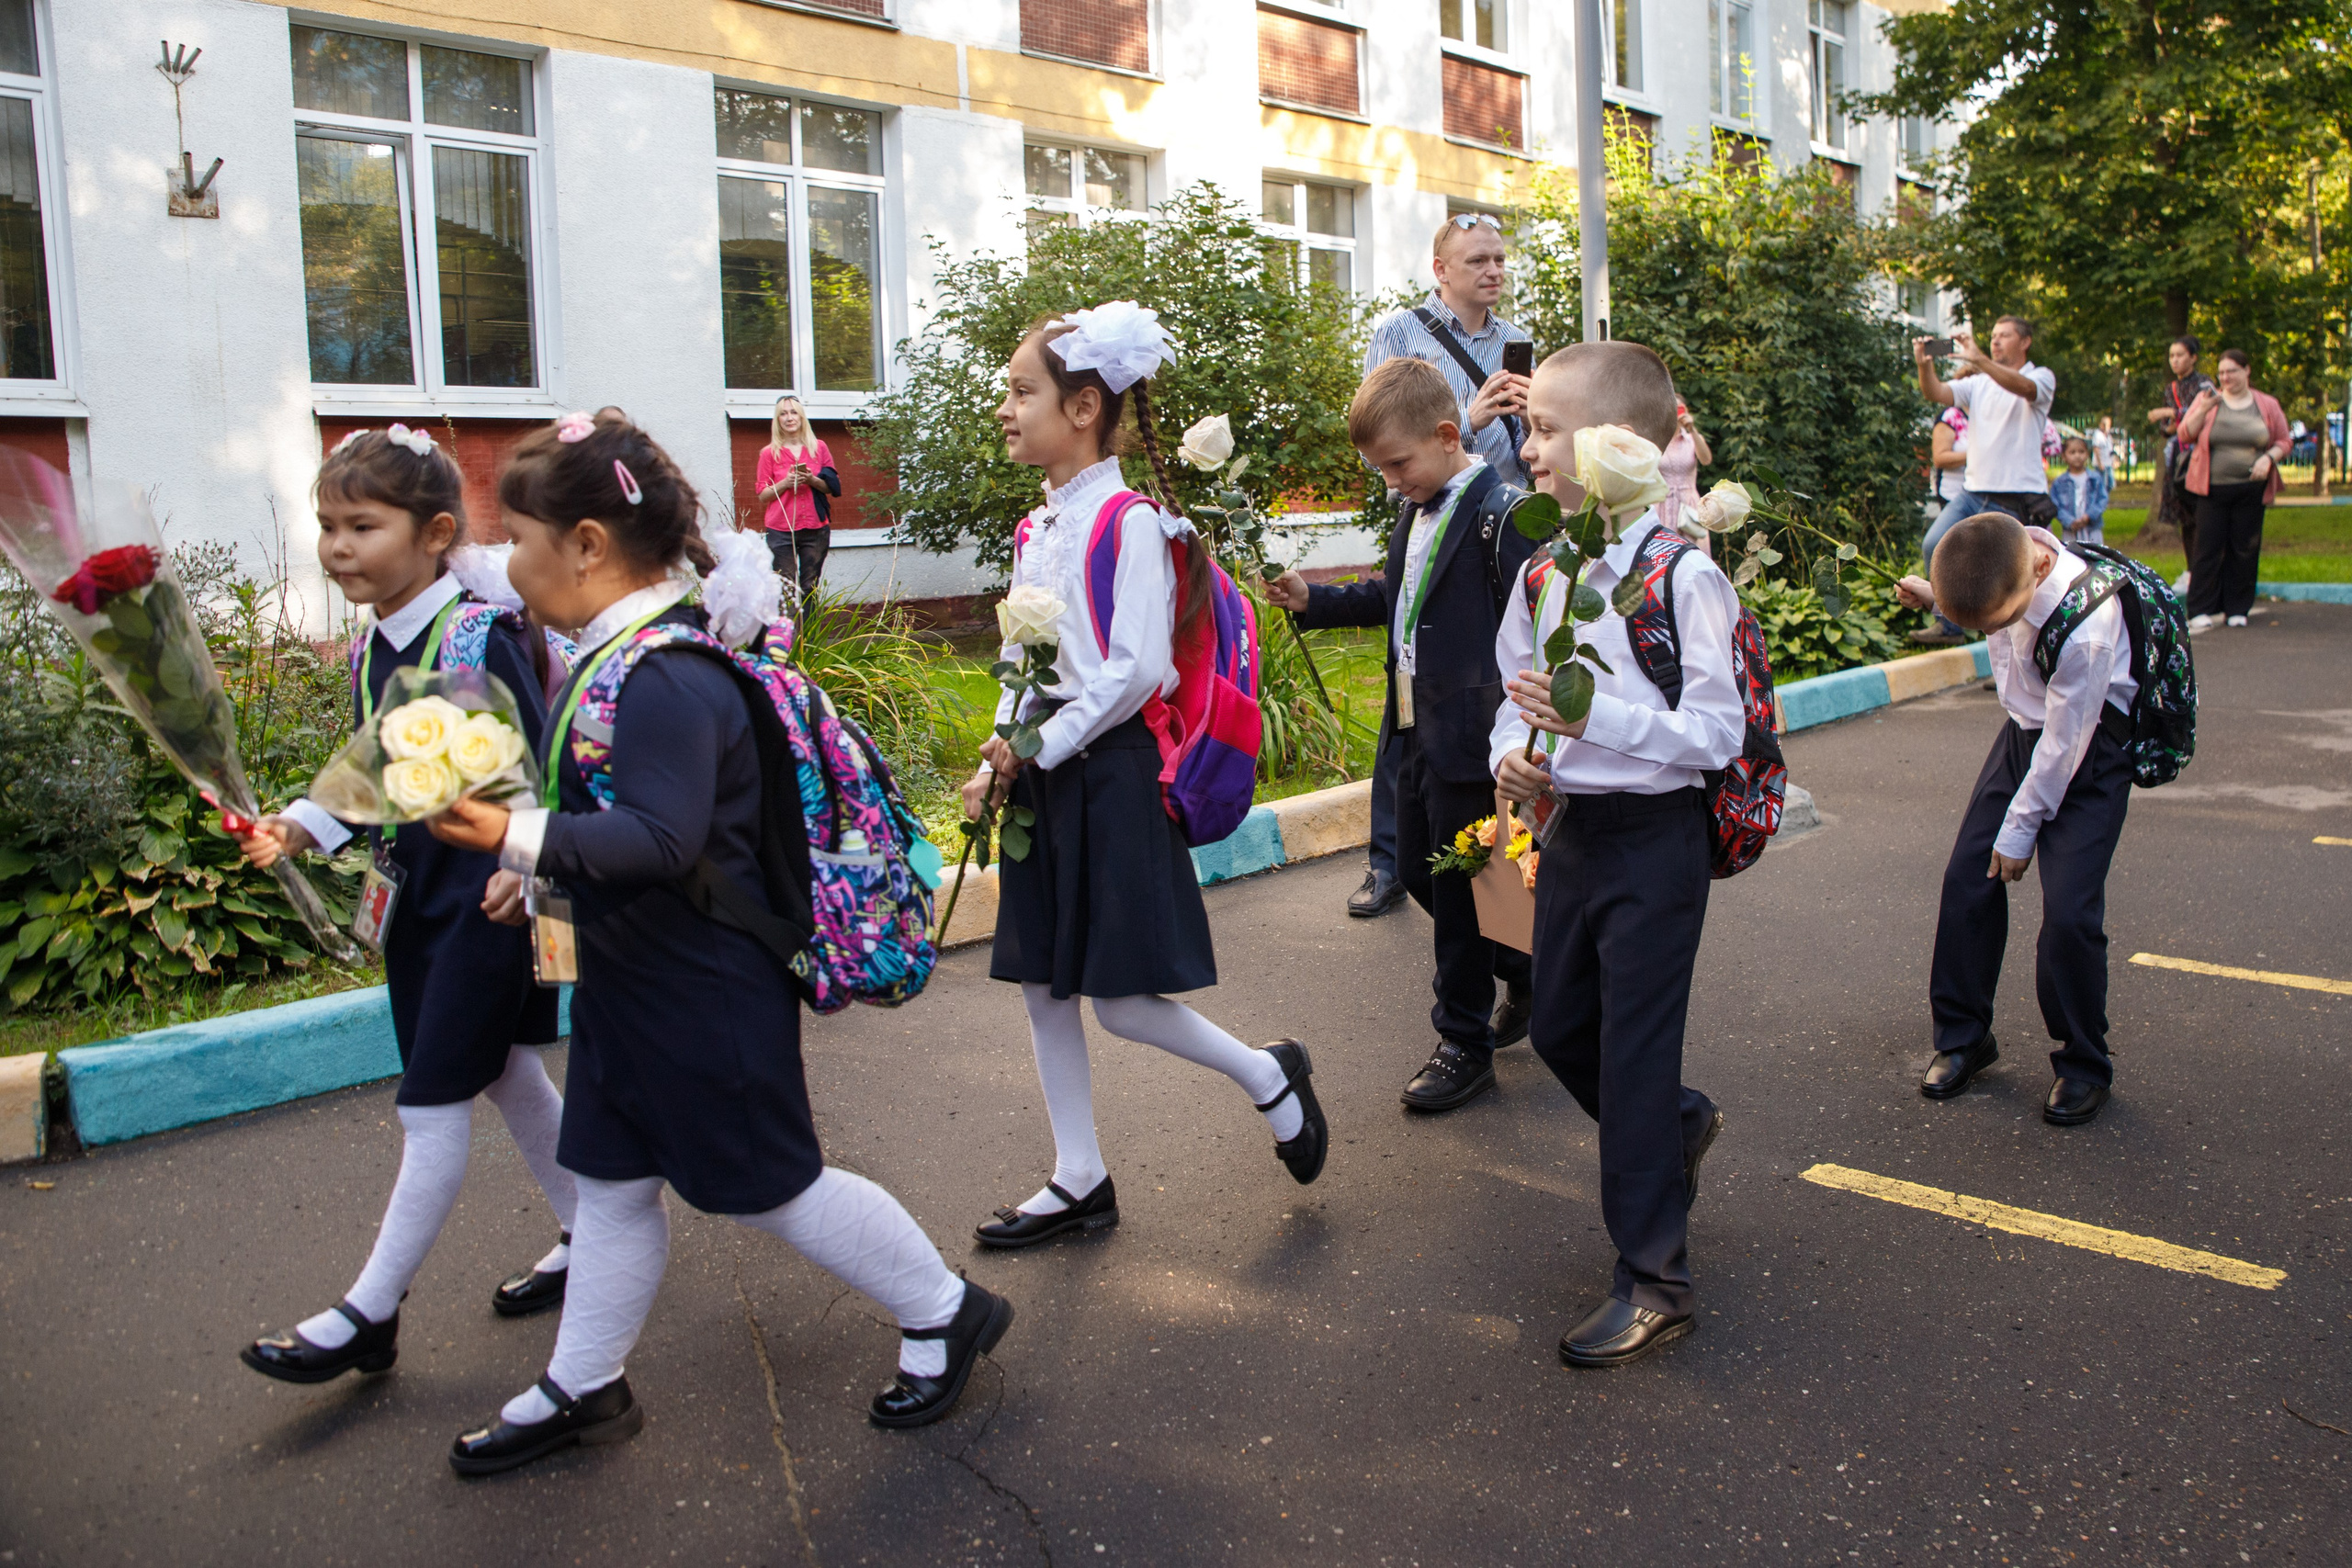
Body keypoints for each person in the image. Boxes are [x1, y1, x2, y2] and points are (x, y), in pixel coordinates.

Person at [429, 412, 1008, 1474]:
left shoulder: (664, 676)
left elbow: (658, 838)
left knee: (770, 1184)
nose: (505, 563)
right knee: (607, 1180)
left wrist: (509, 833)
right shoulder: (611, 661)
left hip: (703, 992)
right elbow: (604, 814)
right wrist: (534, 869)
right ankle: (584, 1384)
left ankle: (946, 1307)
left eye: (518, 538)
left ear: (590, 546)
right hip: (629, 984)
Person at [967, 303, 1329, 1250]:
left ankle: (1268, 1074)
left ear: (1083, 406)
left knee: (1124, 1002)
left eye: (1020, 391)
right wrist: (997, 757)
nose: (1004, 408)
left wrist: (1036, 746)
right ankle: (1077, 1176)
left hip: (1111, 775)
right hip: (1050, 777)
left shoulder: (1128, 525)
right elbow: (1026, 664)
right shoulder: (1036, 528)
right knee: (1044, 985)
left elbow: (1130, 673)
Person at [232, 426, 575, 1388]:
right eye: (328, 526)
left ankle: (366, 1313)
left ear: (433, 533)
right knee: (506, 1070)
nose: (339, 546)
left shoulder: (479, 631)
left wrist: (533, 865)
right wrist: (300, 826)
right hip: (421, 897)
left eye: (361, 525)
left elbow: (545, 763)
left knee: (432, 1105)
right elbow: (386, 762)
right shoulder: (376, 644)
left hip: (491, 902)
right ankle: (593, 1230)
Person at [1490, 342, 1742, 1369]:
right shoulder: (1546, 569)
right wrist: (1518, 757)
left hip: (1655, 840)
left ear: (1619, 447)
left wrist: (1596, 725)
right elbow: (1514, 689)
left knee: (1632, 1057)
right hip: (1578, 831)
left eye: (1547, 429)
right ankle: (1675, 1127)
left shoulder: (1682, 577)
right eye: (1530, 427)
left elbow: (1715, 734)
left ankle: (1655, 1278)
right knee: (1558, 1027)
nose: (1529, 445)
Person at [1263, 357, 1539, 1112]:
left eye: (1397, 463)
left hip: (1475, 736)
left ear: (1448, 436)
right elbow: (1400, 596)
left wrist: (1530, 735)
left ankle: (1463, 1040)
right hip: (1413, 730)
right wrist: (1313, 599)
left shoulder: (1502, 513)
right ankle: (1525, 968)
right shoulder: (1416, 507)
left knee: (1460, 891)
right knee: (1425, 874)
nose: (1390, 480)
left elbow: (1540, 621)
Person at [1894, 512, 2139, 1127]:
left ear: (2042, 567)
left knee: (2071, 914)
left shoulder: (2089, 627)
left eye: (1998, 622)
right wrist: (1941, 599)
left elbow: (2065, 747)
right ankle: (1964, 1035)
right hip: (2025, 734)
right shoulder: (2006, 559)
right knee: (1965, 881)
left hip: (2091, 748)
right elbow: (1990, 600)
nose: (1993, 632)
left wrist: (2020, 828)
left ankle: (2084, 1062)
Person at [1351, 212, 1534, 920]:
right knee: (1408, 697)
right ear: (1441, 269)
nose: (1492, 271)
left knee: (1471, 693)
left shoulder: (1512, 340)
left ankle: (1493, 885)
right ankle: (1389, 860)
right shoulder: (1401, 335)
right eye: (1477, 260)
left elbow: (1529, 447)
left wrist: (1527, 416)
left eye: (1498, 258)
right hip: (1428, 516)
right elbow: (1389, 438)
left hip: (1490, 529)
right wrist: (1475, 418)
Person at [2177, 347, 2290, 631]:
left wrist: (2268, 458)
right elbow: (2185, 434)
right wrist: (2202, 409)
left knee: (2245, 548)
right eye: (2222, 372)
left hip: (2251, 489)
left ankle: (2238, 608)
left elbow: (2284, 441)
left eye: (2232, 371)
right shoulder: (2208, 400)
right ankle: (2201, 608)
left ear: (2247, 371)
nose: (2226, 377)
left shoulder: (2266, 404)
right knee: (2207, 547)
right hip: (2211, 489)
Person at [1915, 318, 2058, 533]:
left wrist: (1980, 360)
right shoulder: (1979, 383)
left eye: (2004, 336)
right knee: (1934, 545)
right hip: (1972, 493)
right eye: (1993, 337)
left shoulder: (2041, 376)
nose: (1996, 342)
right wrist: (1924, 366)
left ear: (2025, 342)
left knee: (2003, 564)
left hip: (2015, 495)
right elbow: (1935, 392)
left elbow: (2026, 388)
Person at [752, 395, 840, 598]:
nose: (789, 417)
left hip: (815, 528)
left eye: (793, 412)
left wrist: (811, 480)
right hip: (781, 530)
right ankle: (788, 631)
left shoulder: (819, 447)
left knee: (810, 587)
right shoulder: (769, 453)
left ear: (801, 417)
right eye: (783, 413)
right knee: (787, 589)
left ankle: (808, 630)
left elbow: (831, 487)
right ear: (777, 420)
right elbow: (763, 495)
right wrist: (785, 483)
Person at [2146, 336, 2214, 586]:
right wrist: (2172, 422)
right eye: (2171, 356)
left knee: (2201, 516)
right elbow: (2167, 430)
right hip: (2178, 458)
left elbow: (2205, 410)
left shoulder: (2204, 383)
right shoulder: (2171, 388)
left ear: (2193, 357)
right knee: (2185, 517)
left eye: (2180, 355)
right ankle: (2191, 571)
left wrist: (2170, 414)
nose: (2175, 360)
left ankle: (2205, 573)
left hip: (2200, 455)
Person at [1915, 398, 1979, 644]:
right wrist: (1979, 455)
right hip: (1956, 497)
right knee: (1940, 549)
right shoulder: (1952, 416)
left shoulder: (1990, 417)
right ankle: (1949, 624)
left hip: (1988, 494)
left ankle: (1983, 622)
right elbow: (1940, 457)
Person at [1657, 400, 1713, 547]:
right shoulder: (1657, 441)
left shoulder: (1692, 439)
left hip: (1689, 502)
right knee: (1664, 550)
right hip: (1662, 503)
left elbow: (1706, 460)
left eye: (1679, 408)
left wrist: (1691, 429)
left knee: (1695, 549)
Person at [2052, 435, 2110, 546]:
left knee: (2094, 557)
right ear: (2064, 456)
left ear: (2087, 454)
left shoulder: (2094, 478)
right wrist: (2069, 521)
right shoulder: (2060, 482)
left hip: (2092, 529)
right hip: (2071, 530)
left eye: (2081, 452)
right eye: (2072, 452)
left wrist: (2089, 516)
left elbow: (2102, 499)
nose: (2077, 456)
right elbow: (2055, 506)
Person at [2091, 414, 2117, 483]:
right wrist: (2099, 463)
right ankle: (2102, 494)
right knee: (2103, 484)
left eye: (2107, 424)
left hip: (2109, 463)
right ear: (2100, 424)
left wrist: (2114, 460)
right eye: (2104, 424)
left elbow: (2111, 450)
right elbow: (2096, 449)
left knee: (2111, 484)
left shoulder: (2109, 436)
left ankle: (2104, 494)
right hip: (2101, 464)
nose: (2106, 426)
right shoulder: (2097, 435)